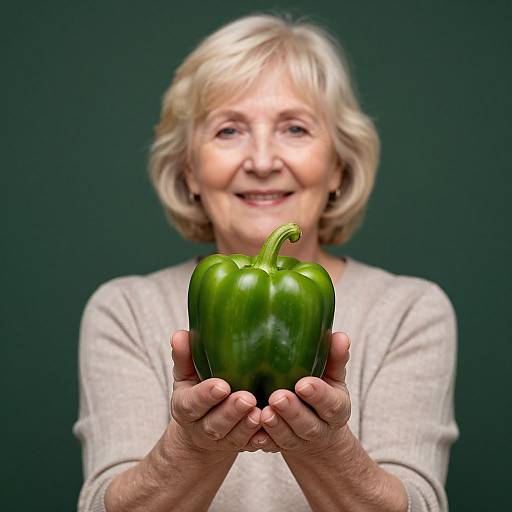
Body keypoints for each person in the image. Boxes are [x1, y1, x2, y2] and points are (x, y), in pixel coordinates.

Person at [73, 14, 458, 512]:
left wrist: (324, 446)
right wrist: (195, 446)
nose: (260, 160)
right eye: (229, 130)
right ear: (189, 170)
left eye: (294, 128)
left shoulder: (409, 311)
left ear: (338, 165)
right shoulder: (124, 309)